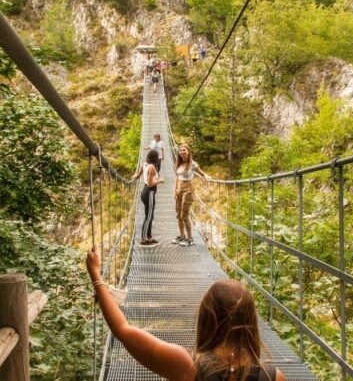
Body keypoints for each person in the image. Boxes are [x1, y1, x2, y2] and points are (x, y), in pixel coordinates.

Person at [86, 250, 286, 381]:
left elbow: (123, 330)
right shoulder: (274, 377)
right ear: (251, 322)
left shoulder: (186, 366)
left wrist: (95, 274)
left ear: (206, 317)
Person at [173, 144, 210, 247]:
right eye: (180, 151)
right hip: (179, 189)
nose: (182, 152)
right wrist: (174, 190)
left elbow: (201, 172)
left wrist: (206, 176)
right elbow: (177, 178)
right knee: (178, 214)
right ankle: (182, 236)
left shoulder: (192, 164)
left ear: (188, 151)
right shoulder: (178, 164)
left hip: (188, 189)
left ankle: (190, 239)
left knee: (184, 215)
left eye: (184, 150)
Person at [131, 149, 164, 244]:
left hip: (146, 193)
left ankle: (149, 237)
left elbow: (141, 171)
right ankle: (144, 238)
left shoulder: (146, 164)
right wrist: (159, 180)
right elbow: (150, 184)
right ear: (156, 158)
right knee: (149, 217)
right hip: (149, 192)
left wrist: (136, 176)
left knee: (150, 215)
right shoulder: (152, 168)